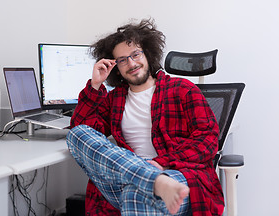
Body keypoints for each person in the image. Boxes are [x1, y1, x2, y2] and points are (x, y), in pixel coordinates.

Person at [66, 19, 224, 216]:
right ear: (116, 67)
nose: (131, 63)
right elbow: (85, 132)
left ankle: (157, 181)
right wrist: (96, 85)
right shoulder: (115, 99)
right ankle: (153, 181)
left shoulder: (183, 90)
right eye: (122, 60)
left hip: (177, 175)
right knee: (78, 134)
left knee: (135, 194)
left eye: (135, 54)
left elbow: (207, 141)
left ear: (147, 54)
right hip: (126, 178)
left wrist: (163, 163)